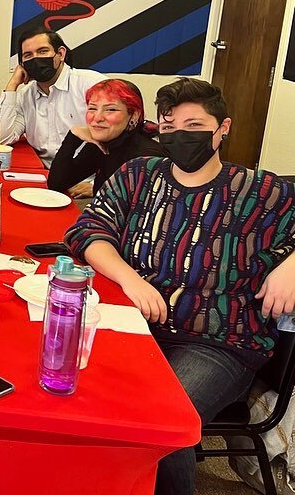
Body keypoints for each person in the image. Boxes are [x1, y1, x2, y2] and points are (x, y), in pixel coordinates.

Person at [64, 78, 295, 495]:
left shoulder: (259, 192)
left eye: (194, 125)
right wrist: (130, 279)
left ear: (222, 128)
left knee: (160, 423)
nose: (180, 136)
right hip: (134, 325)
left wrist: (294, 262)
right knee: (66, 393)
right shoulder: (139, 175)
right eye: (169, 127)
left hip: (218, 341)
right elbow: (88, 229)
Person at [0, 25, 104, 170]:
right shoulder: (26, 95)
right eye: (28, 55)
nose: (36, 59)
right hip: (44, 174)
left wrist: (97, 184)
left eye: (42, 51)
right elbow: (0, 139)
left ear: (60, 54)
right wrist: (12, 86)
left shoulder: (92, 85)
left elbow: (122, 140)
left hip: (87, 178)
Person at [47, 79, 165, 197]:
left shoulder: (147, 157)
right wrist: (73, 136)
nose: (97, 118)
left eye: (110, 109)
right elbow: (57, 184)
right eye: (92, 108)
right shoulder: (104, 142)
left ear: (134, 115)